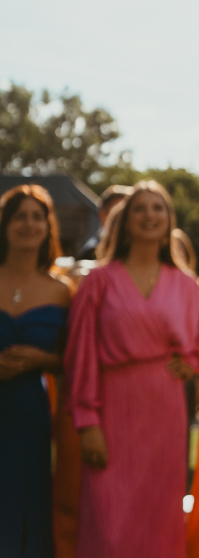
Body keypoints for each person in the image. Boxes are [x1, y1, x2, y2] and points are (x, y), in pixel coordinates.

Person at [65, 179, 199, 558]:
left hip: (164, 410)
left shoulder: (185, 285)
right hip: (111, 406)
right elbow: (81, 355)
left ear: (169, 219)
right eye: (140, 209)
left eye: (157, 208)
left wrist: (191, 361)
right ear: (124, 221)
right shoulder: (97, 283)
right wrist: (87, 420)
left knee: (160, 519)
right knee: (108, 522)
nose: (149, 216)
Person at [0, 184, 70, 558]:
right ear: (5, 224)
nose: (28, 224)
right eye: (19, 216)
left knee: (28, 500)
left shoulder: (61, 291)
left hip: (30, 413)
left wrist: (39, 360)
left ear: (48, 226)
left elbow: (70, 360)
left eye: (37, 217)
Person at [76, 184, 132, 260]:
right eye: (115, 212)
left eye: (126, 212)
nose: (123, 218)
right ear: (102, 215)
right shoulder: (91, 251)